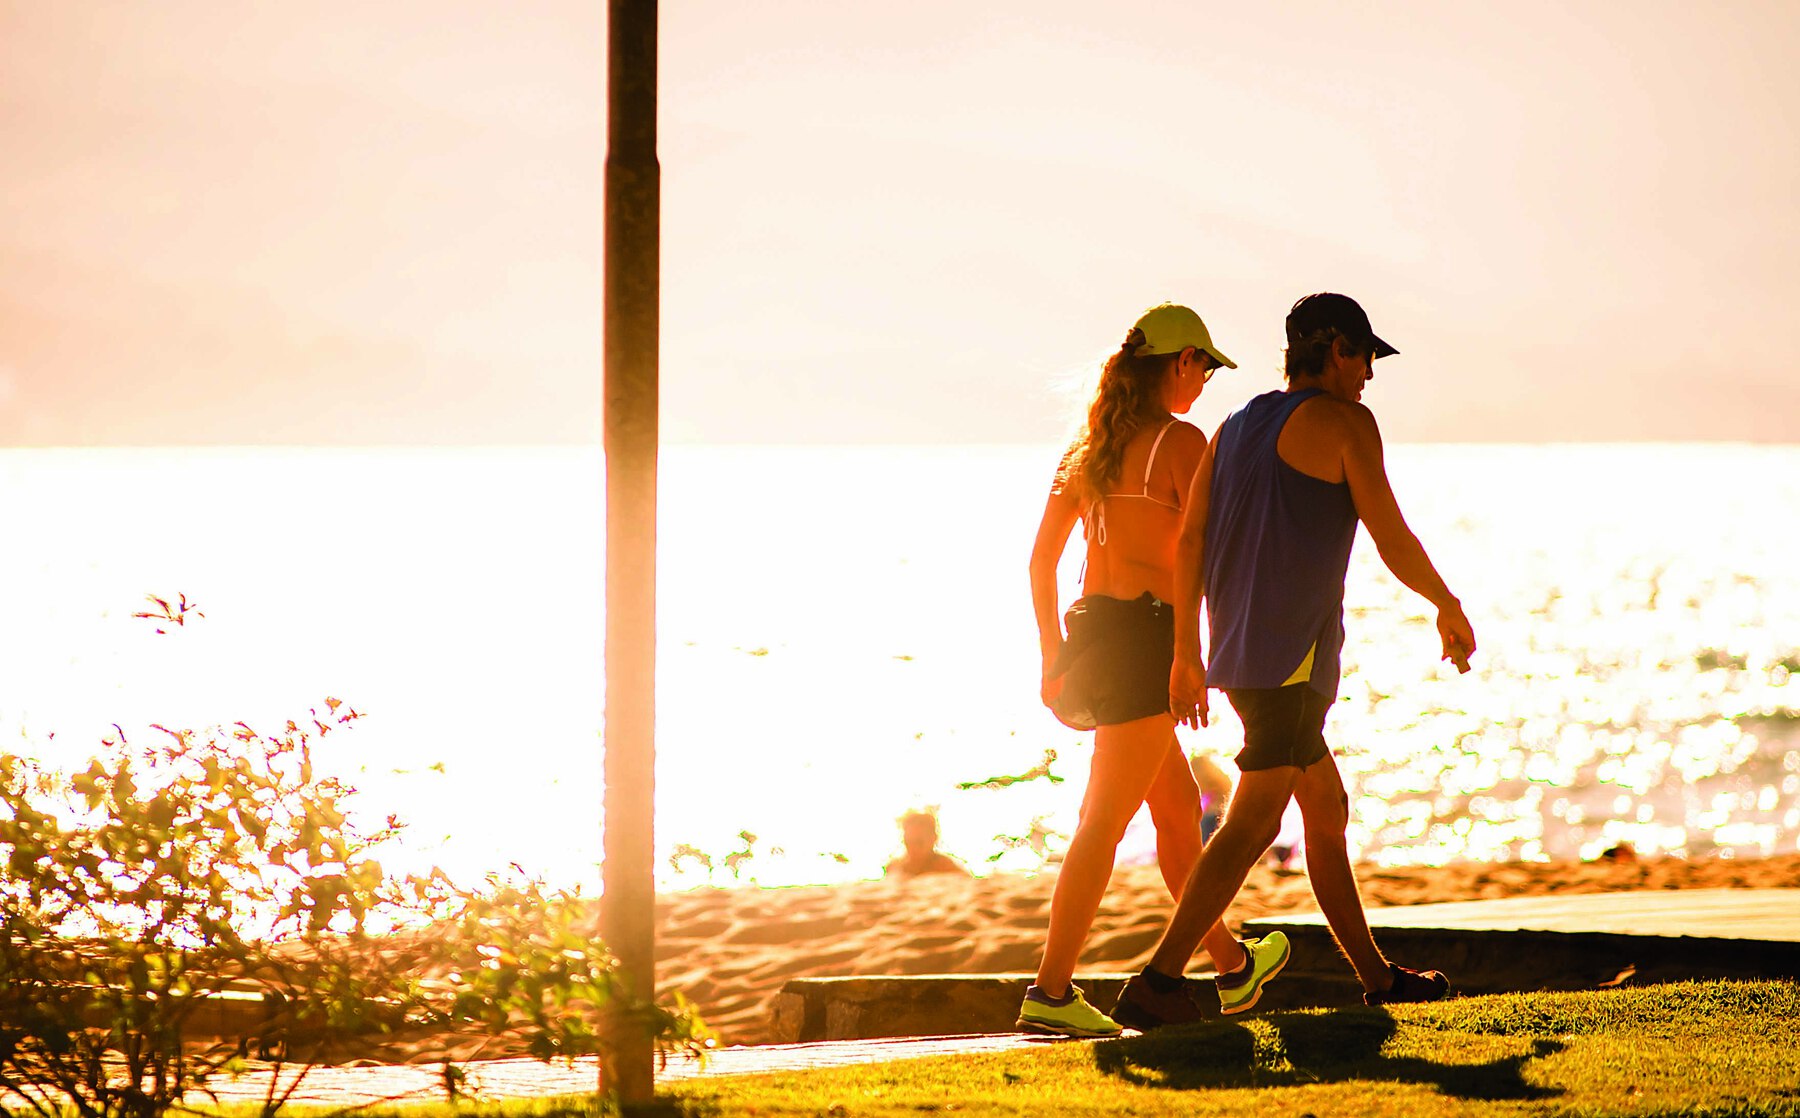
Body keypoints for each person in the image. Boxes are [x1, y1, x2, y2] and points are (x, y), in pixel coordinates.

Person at [1110, 292, 1477, 1030]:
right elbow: (1390, 533)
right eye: (1365, 353)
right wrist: (1447, 602)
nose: (1371, 372)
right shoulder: (1345, 422)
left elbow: (1189, 544)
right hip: (1292, 662)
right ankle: (1156, 982)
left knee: (1326, 810)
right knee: (1249, 826)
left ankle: (1378, 979)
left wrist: (1187, 654)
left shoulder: (1236, 424)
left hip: (1238, 656)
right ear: (1335, 348)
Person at [1017, 302, 1293, 1038]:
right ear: (1176, 363)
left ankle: (1233, 967)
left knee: (1175, 815)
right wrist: (1189, 658)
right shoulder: (1179, 442)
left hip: (1093, 640)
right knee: (1100, 822)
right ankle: (1048, 993)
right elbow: (1200, 559)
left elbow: (1042, 565)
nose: (1204, 379)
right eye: (1201, 364)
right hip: (1147, 645)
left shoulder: (1090, 447)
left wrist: (1051, 662)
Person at [884, 809, 969, 878]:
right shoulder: (895, 868)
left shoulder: (944, 866)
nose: (913, 848)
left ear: (934, 838)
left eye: (919, 843)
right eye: (908, 842)